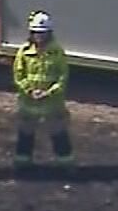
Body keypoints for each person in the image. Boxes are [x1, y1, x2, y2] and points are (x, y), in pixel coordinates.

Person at [12, 10, 73, 172]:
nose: (39, 36)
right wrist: (29, 90)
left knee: (58, 133)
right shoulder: (24, 52)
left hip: (52, 103)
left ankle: (65, 164)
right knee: (25, 133)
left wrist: (49, 92)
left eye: (42, 33)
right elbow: (19, 75)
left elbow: (62, 77)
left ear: (49, 33)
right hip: (28, 102)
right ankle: (22, 163)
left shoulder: (57, 52)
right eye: (36, 33)